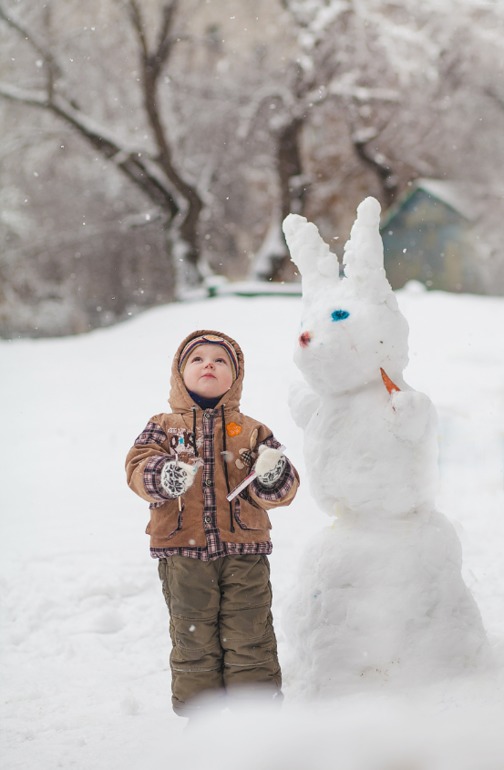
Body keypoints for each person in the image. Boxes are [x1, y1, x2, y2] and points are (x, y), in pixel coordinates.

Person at [125, 330, 299, 716]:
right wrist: (163, 475)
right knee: (193, 635)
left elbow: (283, 491)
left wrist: (272, 474)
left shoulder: (252, 430)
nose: (209, 365)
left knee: (250, 633)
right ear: (179, 373)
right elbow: (136, 466)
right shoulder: (163, 426)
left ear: (234, 377)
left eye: (221, 361)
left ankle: (255, 714)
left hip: (246, 554)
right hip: (182, 553)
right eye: (198, 359)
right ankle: (204, 721)